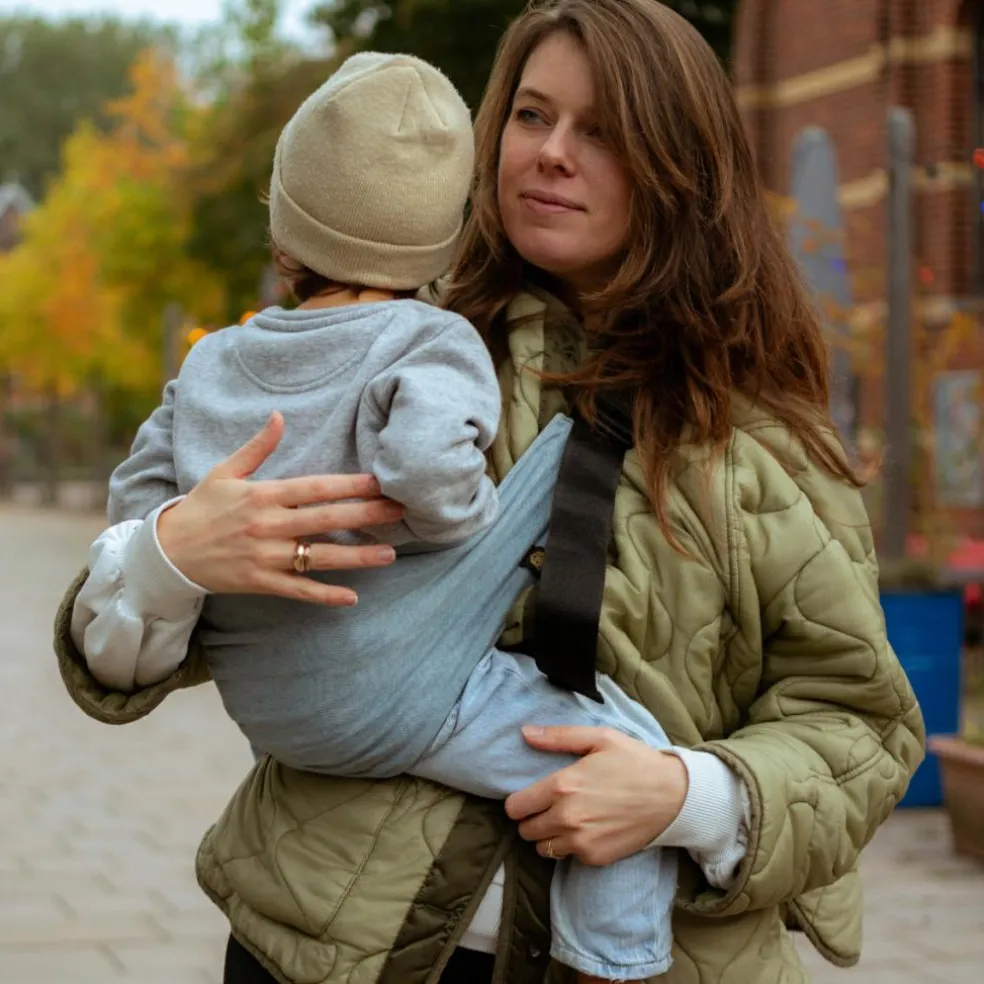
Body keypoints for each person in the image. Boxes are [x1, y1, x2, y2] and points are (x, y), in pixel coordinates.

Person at [54, 2, 925, 983]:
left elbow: (862, 721)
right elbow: (117, 659)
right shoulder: (381, 361)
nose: (552, 153)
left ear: (682, 166)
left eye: (600, 130)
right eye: (530, 115)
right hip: (328, 949)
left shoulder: (764, 439)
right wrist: (169, 556)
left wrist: (685, 795)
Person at [82, 51, 679, 984]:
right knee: (623, 758)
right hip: (392, 701)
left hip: (267, 705)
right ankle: (614, 959)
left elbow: (132, 518)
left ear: (285, 234)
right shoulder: (430, 339)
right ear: (444, 239)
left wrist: (170, 547)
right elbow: (424, 475)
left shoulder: (211, 362)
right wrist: (472, 518)